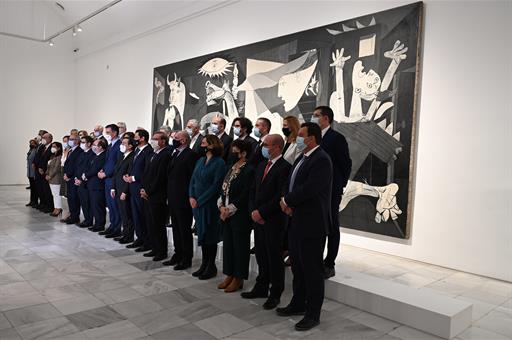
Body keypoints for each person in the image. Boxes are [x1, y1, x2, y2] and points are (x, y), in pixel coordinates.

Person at [277, 122, 333, 331]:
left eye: (301, 135)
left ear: (312, 138)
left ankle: (313, 313)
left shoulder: (322, 160)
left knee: (312, 271)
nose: (297, 138)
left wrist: (288, 201)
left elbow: (310, 189)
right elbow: (289, 181)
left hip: (312, 223)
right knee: (298, 268)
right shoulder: (303, 157)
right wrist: (284, 198)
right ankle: (298, 304)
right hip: (296, 220)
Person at [243, 134, 291, 309]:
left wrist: (261, 213)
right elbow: (253, 191)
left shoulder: (285, 167)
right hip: (258, 219)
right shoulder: (262, 165)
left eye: (266, 144)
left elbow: (280, 195)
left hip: (274, 220)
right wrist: (253, 212)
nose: (263, 147)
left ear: (277, 147)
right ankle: (261, 286)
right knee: (262, 255)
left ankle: (275, 293)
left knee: (274, 257)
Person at [311, 106, 351, 279]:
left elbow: (345, 164)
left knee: (332, 225)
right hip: (315, 190)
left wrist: (338, 185)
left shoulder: (336, 138)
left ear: (326, 118)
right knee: (316, 225)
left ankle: (330, 262)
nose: (313, 118)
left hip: (331, 190)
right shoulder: (314, 137)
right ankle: (315, 258)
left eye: (316, 115)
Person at [217, 139, 254, 293]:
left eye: (235, 150)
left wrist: (230, 209)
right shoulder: (231, 167)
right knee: (229, 246)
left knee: (240, 247)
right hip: (226, 213)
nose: (232, 152)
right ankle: (229, 274)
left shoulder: (249, 169)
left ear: (243, 153)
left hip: (240, 214)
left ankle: (238, 278)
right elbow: (224, 188)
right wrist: (221, 206)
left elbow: (245, 193)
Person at [189, 135, 225, 280]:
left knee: (210, 235)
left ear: (212, 145)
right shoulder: (200, 160)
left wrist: (200, 200)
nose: (201, 145)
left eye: (204, 143)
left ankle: (211, 266)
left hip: (209, 205)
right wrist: (191, 196)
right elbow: (192, 180)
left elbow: (216, 186)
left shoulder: (219, 163)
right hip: (196, 204)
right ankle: (204, 264)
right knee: (202, 235)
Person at [164, 131, 198, 270]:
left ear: (184, 141)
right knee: (176, 228)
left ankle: (186, 258)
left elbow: (192, 179)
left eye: (176, 138)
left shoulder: (191, 155)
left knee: (184, 229)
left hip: (183, 198)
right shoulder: (174, 153)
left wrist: (190, 195)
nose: (174, 140)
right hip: (172, 196)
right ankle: (177, 254)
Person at [140, 131, 172, 261]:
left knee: (158, 224)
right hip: (147, 193)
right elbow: (145, 173)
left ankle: (161, 251)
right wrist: (143, 189)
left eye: (155, 139)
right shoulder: (152, 153)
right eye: (152, 138)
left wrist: (149, 191)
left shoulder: (166, 155)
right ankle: (154, 248)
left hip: (157, 195)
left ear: (163, 141)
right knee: (150, 223)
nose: (152, 141)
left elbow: (160, 177)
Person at [123, 129, 153, 252]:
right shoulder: (136, 150)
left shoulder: (148, 151)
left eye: (136, 137)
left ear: (142, 138)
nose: (133, 139)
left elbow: (147, 170)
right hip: (132, 188)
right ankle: (139, 238)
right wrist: (127, 175)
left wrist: (134, 178)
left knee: (143, 216)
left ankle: (147, 241)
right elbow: (132, 166)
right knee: (136, 216)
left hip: (140, 187)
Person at [98, 124, 122, 238]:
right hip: (107, 179)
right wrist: (102, 170)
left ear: (115, 133)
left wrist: (106, 173)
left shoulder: (119, 145)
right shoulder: (110, 145)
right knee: (110, 206)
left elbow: (117, 164)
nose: (106, 135)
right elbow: (107, 161)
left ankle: (117, 228)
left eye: (108, 132)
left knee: (114, 205)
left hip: (113, 179)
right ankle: (112, 226)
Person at [112, 135, 136, 244]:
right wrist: (113, 187)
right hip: (117, 187)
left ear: (130, 146)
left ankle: (128, 236)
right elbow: (115, 173)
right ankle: (124, 233)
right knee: (122, 213)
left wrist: (124, 191)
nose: (121, 145)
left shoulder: (132, 157)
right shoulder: (122, 156)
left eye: (124, 144)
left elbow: (128, 176)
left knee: (127, 214)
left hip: (124, 190)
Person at [84, 139, 107, 232]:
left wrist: (86, 175)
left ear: (100, 147)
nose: (93, 146)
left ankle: (100, 225)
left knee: (98, 206)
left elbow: (96, 169)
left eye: (95, 144)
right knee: (94, 205)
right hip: (91, 184)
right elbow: (89, 167)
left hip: (98, 185)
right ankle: (96, 223)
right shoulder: (95, 156)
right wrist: (85, 174)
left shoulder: (103, 156)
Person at [74, 136, 95, 228]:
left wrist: (81, 180)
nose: (81, 144)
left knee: (87, 203)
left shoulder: (92, 154)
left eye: (83, 142)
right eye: (81, 142)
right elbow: (77, 167)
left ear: (89, 143)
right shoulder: (82, 153)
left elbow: (89, 169)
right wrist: (76, 178)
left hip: (86, 182)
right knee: (83, 202)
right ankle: (86, 219)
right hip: (79, 181)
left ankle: (89, 220)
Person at [62, 134, 83, 224]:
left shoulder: (79, 151)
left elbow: (76, 166)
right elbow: (67, 164)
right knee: (70, 198)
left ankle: (75, 217)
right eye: (69, 139)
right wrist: (65, 174)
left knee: (74, 198)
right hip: (68, 178)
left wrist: (69, 175)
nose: (70, 141)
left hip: (73, 177)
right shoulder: (70, 150)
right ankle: (72, 215)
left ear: (78, 141)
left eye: (72, 139)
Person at [37, 133, 54, 213]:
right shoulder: (42, 147)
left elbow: (51, 161)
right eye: (42, 137)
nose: (43, 139)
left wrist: (44, 169)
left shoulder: (52, 148)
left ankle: (50, 207)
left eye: (44, 137)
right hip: (40, 171)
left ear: (50, 139)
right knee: (43, 189)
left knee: (48, 190)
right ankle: (44, 204)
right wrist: (39, 168)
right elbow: (39, 158)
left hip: (46, 171)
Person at [45, 142, 64, 217]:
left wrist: (50, 176)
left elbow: (57, 168)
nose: (52, 148)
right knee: (54, 194)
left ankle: (58, 208)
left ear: (59, 148)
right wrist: (47, 174)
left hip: (56, 178)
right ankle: (55, 207)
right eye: (52, 146)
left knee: (57, 195)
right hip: (50, 178)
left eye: (54, 146)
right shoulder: (52, 156)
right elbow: (49, 166)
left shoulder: (60, 157)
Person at [26, 139, 38, 207]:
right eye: (30, 143)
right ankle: (31, 201)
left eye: (33, 143)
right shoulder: (30, 151)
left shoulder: (36, 150)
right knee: (32, 188)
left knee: (35, 188)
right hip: (30, 172)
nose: (31, 144)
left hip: (34, 172)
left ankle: (35, 201)